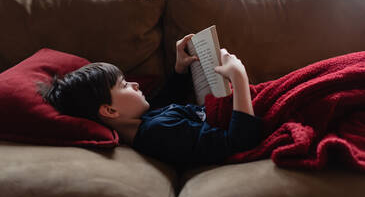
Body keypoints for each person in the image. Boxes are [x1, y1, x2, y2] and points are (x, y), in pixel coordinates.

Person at [38, 34, 263, 168]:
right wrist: (239, 77)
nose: (135, 85)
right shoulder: (160, 132)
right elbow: (240, 143)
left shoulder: (143, 122)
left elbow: (165, 102)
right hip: (257, 118)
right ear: (110, 110)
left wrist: (180, 68)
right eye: (124, 85)